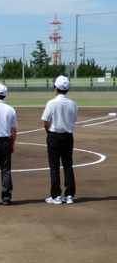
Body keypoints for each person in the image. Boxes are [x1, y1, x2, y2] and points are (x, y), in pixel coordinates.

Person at [42, 75, 78, 205]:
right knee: (68, 165)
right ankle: (69, 195)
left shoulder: (52, 103)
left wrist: (49, 132)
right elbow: (74, 120)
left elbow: (46, 121)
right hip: (68, 136)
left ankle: (56, 195)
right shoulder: (72, 103)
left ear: (55, 88)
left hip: (54, 135)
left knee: (54, 166)